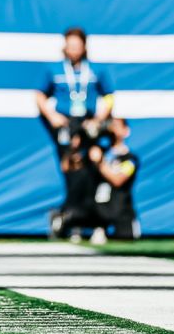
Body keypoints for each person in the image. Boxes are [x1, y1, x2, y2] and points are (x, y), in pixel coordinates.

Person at [36, 27, 115, 236]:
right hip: (65, 125)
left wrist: (98, 119)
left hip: (88, 124)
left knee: (92, 169)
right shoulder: (55, 69)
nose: (74, 50)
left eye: (77, 45)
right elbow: (39, 95)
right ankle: (72, 219)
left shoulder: (95, 70)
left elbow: (109, 96)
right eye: (70, 45)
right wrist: (53, 116)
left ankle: (95, 221)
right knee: (71, 170)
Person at [86, 117, 141, 243]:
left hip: (121, 213)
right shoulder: (99, 151)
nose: (112, 128)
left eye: (116, 125)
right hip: (99, 212)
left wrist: (100, 163)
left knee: (124, 239)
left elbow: (118, 180)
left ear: (125, 130)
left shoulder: (130, 158)